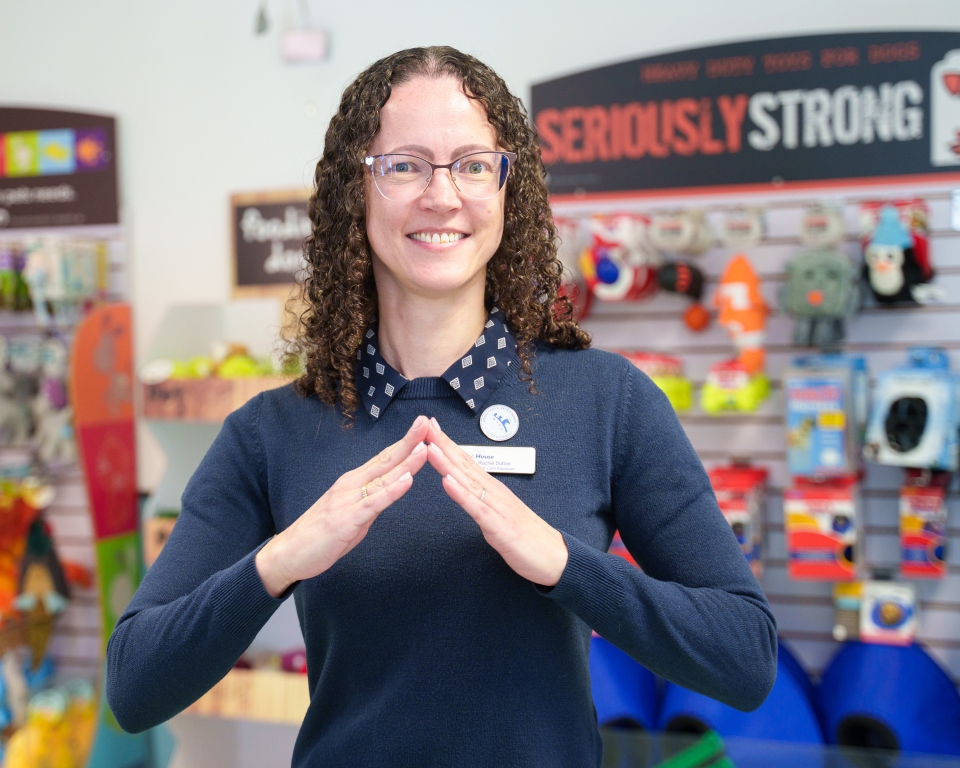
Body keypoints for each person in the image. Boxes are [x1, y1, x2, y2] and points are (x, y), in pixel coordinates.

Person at [107, 46, 777, 767]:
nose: (442, 195)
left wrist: (565, 564)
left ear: (505, 188)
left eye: (471, 164)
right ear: (354, 192)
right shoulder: (272, 434)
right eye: (404, 165)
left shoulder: (606, 401)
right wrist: (282, 559)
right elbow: (135, 686)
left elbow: (743, 658)